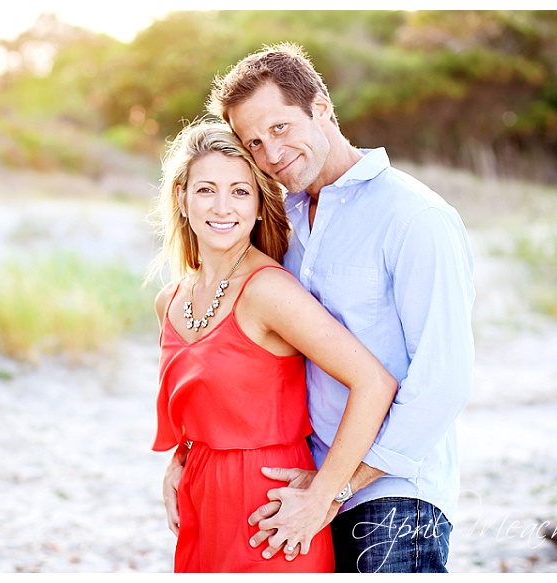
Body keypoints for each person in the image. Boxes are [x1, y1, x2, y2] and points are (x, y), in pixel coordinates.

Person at [199, 42, 477, 573]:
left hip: (394, 492)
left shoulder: (415, 218)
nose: (271, 154)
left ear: (321, 107)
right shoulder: (285, 223)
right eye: (254, 142)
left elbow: (443, 382)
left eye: (280, 128)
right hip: (306, 481)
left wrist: (336, 488)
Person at [147, 120, 398, 573]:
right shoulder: (171, 300)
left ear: (262, 205)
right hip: (202, 502)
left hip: (272, 511)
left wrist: (324, 495)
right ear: (181, 199)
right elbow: (203, 405)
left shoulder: (269, 292)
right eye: (206, 190)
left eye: (240, 192)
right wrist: (177, 463)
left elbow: (374, 383)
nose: (223, 207)